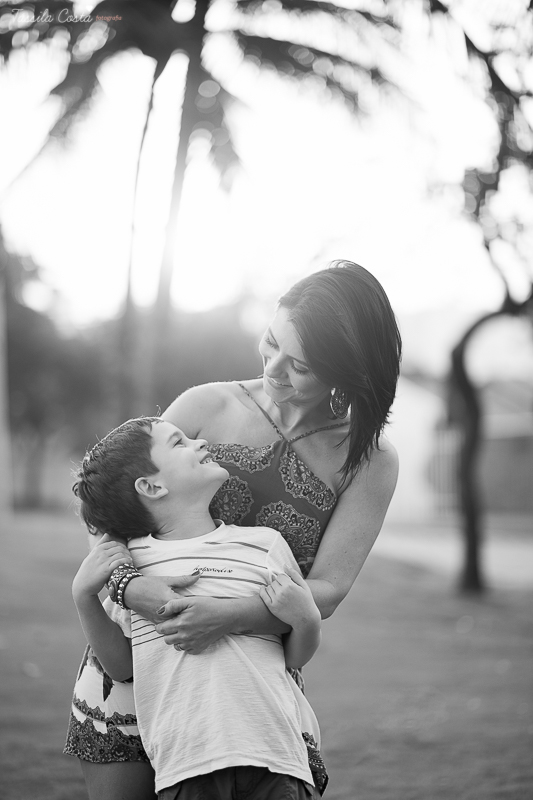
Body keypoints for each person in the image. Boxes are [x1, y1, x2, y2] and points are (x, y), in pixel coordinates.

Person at [65, 260, 401, 800]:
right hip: (138, 654)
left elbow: (330, 587)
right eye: (270, 343)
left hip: (250, 687)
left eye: (302, 366)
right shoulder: (205, 406)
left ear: (348, 371)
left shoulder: (369, 461)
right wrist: (135, 588)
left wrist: (232, 615)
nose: (274, 369)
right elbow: (106, 507)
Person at [71, 416, 323, 799]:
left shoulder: (265, 545)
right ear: (152, 486)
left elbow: (293, 657)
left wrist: (307, 619)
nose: (200, 443)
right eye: (179, 443)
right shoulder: (134, 563)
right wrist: (84, 597)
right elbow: (121, 668)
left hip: (277, 758)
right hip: (187, 765)